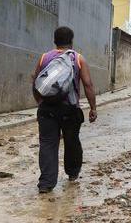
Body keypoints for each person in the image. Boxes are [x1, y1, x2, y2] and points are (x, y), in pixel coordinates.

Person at [32, 26, 97, 193]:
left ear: (55, 41)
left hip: (47, 109)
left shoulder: (44, 58)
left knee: (47, 144)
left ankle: (46, 184)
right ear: (71, 41)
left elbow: (36, 82)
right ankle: (73, 173)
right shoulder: (78, 58)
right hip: (70, 109)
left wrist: (40, 103)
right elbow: (88, 84)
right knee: (72, 141)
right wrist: (93, 108)